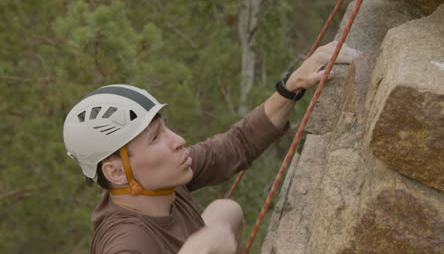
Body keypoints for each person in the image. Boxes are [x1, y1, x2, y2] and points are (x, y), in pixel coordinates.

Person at [63, 41, 360, 254]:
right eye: (155, 138)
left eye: (166, 127)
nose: (178, 140)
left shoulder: (160, 183)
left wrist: (291, 86)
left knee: (224, 211)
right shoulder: (126, 243)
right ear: (115, 171)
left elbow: (236, 145)